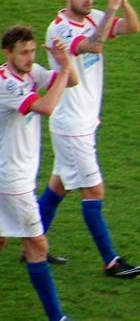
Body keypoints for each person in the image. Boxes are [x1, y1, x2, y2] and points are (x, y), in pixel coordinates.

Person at [37, 0, 140, 278]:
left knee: (59, 185)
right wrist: (110, 9)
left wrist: (123, 2)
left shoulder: (92, 17)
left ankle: (32, 245)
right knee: (94, 191)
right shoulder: (59, 30)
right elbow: (94, 46)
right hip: (71, 125)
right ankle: (110, 261)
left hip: (82, 121)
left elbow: (133, 27)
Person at [1, 25, 78, 320]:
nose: (30, 57)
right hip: (12, 180)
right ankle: (57, 318)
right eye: (24, 53)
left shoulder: (29, 72)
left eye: (33, 51)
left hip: (11, 174)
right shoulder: (7, 84)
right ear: (8, 53)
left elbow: (72, 82)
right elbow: (46, 106)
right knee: (37, 245)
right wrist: (63, 68)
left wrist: (63, 64)